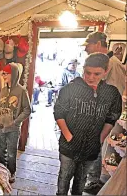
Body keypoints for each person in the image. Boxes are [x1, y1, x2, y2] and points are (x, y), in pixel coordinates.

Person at [54, 53, 122, 195]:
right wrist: (68, 136)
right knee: (64, 178)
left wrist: (100, 139)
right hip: (68, 145)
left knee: (81, 180)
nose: (91, 77)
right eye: (88, 73)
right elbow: (59, 113)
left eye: (97, 74)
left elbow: (111, 118)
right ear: (83, 69)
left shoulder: (111, 93)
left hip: (92, 146)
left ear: (106, 71)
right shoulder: (70, 89)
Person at [82, 31, 126, 194]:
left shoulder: (112, 64)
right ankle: (93, 179)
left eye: (89, 45)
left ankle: (95, 181)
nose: (86, 49)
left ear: (99, 44)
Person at [0, 63, 31, 183]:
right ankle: (1, 171)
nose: (3, 75)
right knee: (0, 150)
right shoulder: (4, 89)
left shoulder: (21, 91)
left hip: (13, 129)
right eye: (3, 73)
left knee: (11, 152)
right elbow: (0, 105)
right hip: (1, 126)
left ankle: (11, 172)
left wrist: (15, 122)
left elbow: (27, 110)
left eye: (6, 73)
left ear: (14, 75)